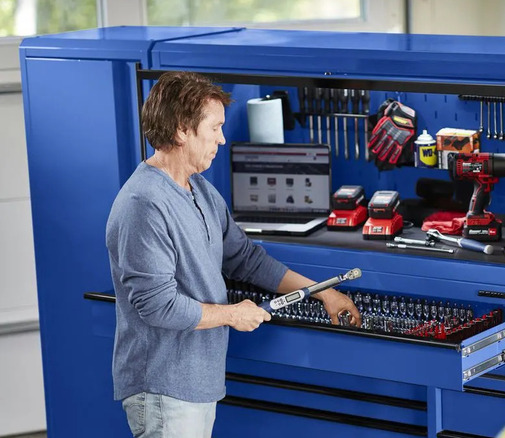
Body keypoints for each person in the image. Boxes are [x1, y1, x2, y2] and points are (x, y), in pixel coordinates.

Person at [106, 71, 361, 438]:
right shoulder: (143, 204)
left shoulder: (200, 190)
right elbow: (156, 306)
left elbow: (245, 258)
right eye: (215, 128)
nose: (222, 139)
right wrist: (233, 315)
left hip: (196, 382)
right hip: (163, 386)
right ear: (181, 130)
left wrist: (323, 291)